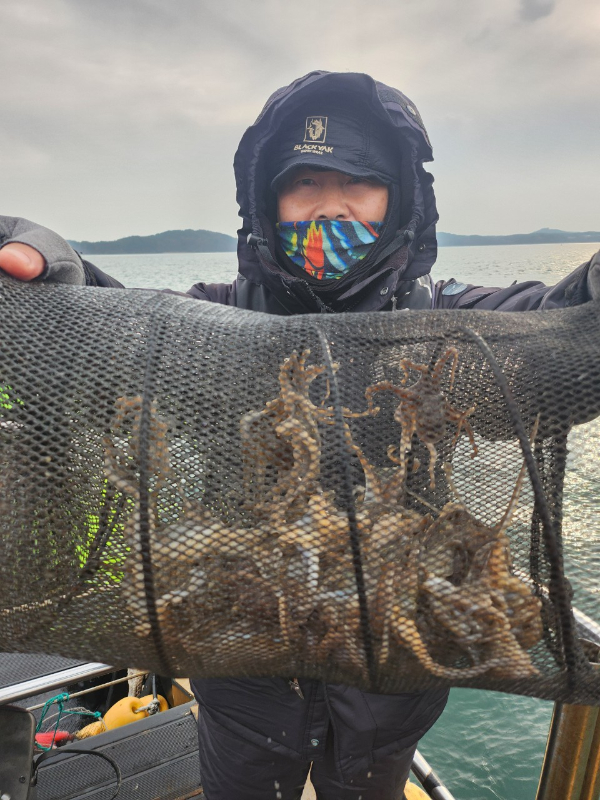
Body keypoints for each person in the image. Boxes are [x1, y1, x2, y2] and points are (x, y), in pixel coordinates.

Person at [1, 71, 599, 800]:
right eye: (305, 181)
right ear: (267, 200)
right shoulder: (203, 330)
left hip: (390, 687)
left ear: (401, 198)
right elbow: (114, 327)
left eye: (361, 180)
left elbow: (557, 329)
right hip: (240, 670)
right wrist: (52, 277)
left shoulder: (455, 334)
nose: (332, 205)